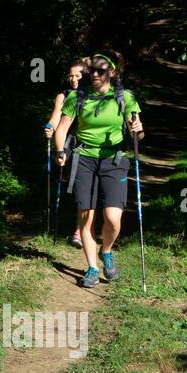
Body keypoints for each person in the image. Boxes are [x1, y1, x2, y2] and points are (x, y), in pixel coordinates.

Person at [52, 53, 144, 288]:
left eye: (101, 71)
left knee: (113, 219)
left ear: (111, 73)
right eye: (92, 70)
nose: (95, 74)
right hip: (84, 158)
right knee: (86, 215)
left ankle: (107, 251)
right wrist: (61, 151)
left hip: (115, 159)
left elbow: (138, 135)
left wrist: (137, 129)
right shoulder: (77, 97)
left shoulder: (125, 97)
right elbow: (62, 128)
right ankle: (92, 268)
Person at [44, 60, 87, 247]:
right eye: (71, 75)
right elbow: (55, 117)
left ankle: (79, 230)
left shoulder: (93, 94)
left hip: (88, 142)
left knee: (83, 184)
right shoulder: (64, 95)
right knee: (65, 170)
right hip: (68, 140)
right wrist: (49, 127)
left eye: (78, 75)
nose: (73, 79)